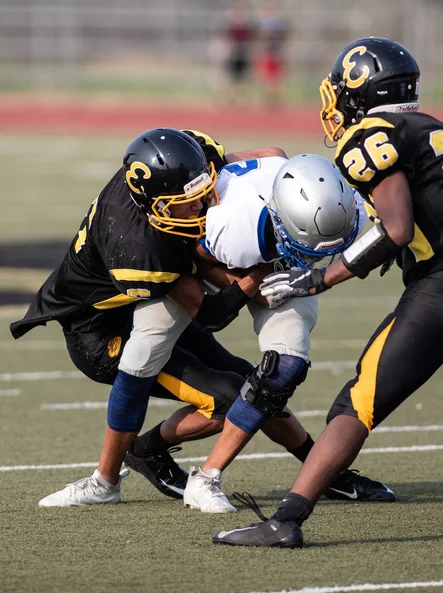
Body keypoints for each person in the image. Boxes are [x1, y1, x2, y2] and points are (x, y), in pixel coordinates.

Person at [212, 36, 433, 548]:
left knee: (356, 404)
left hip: (438, 288)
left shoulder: (370, 135)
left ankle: (286, 520)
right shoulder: (430, 129)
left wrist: (320, 277)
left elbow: (397, 228)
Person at [10, 127, 268, 507]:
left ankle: (326, 468)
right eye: (189, 201)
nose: (201, 206)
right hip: (99, 334)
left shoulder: (170, 167)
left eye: (201, 193)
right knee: (229, 400)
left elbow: (258, 157)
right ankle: (113, 474)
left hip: (137, 310)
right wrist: (251, 281)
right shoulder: (139, 253)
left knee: (254, 383)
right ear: (156, 206)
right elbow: (209, 313)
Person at [178, 152, 394, 512]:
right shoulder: (234, 225)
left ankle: (206, 477)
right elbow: (198, 258)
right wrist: (246, 284)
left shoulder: (349, 207)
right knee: (153, 362)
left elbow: (277, 154)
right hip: (225, 264)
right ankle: (148, 458)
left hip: (285, 272)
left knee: (283, 368)